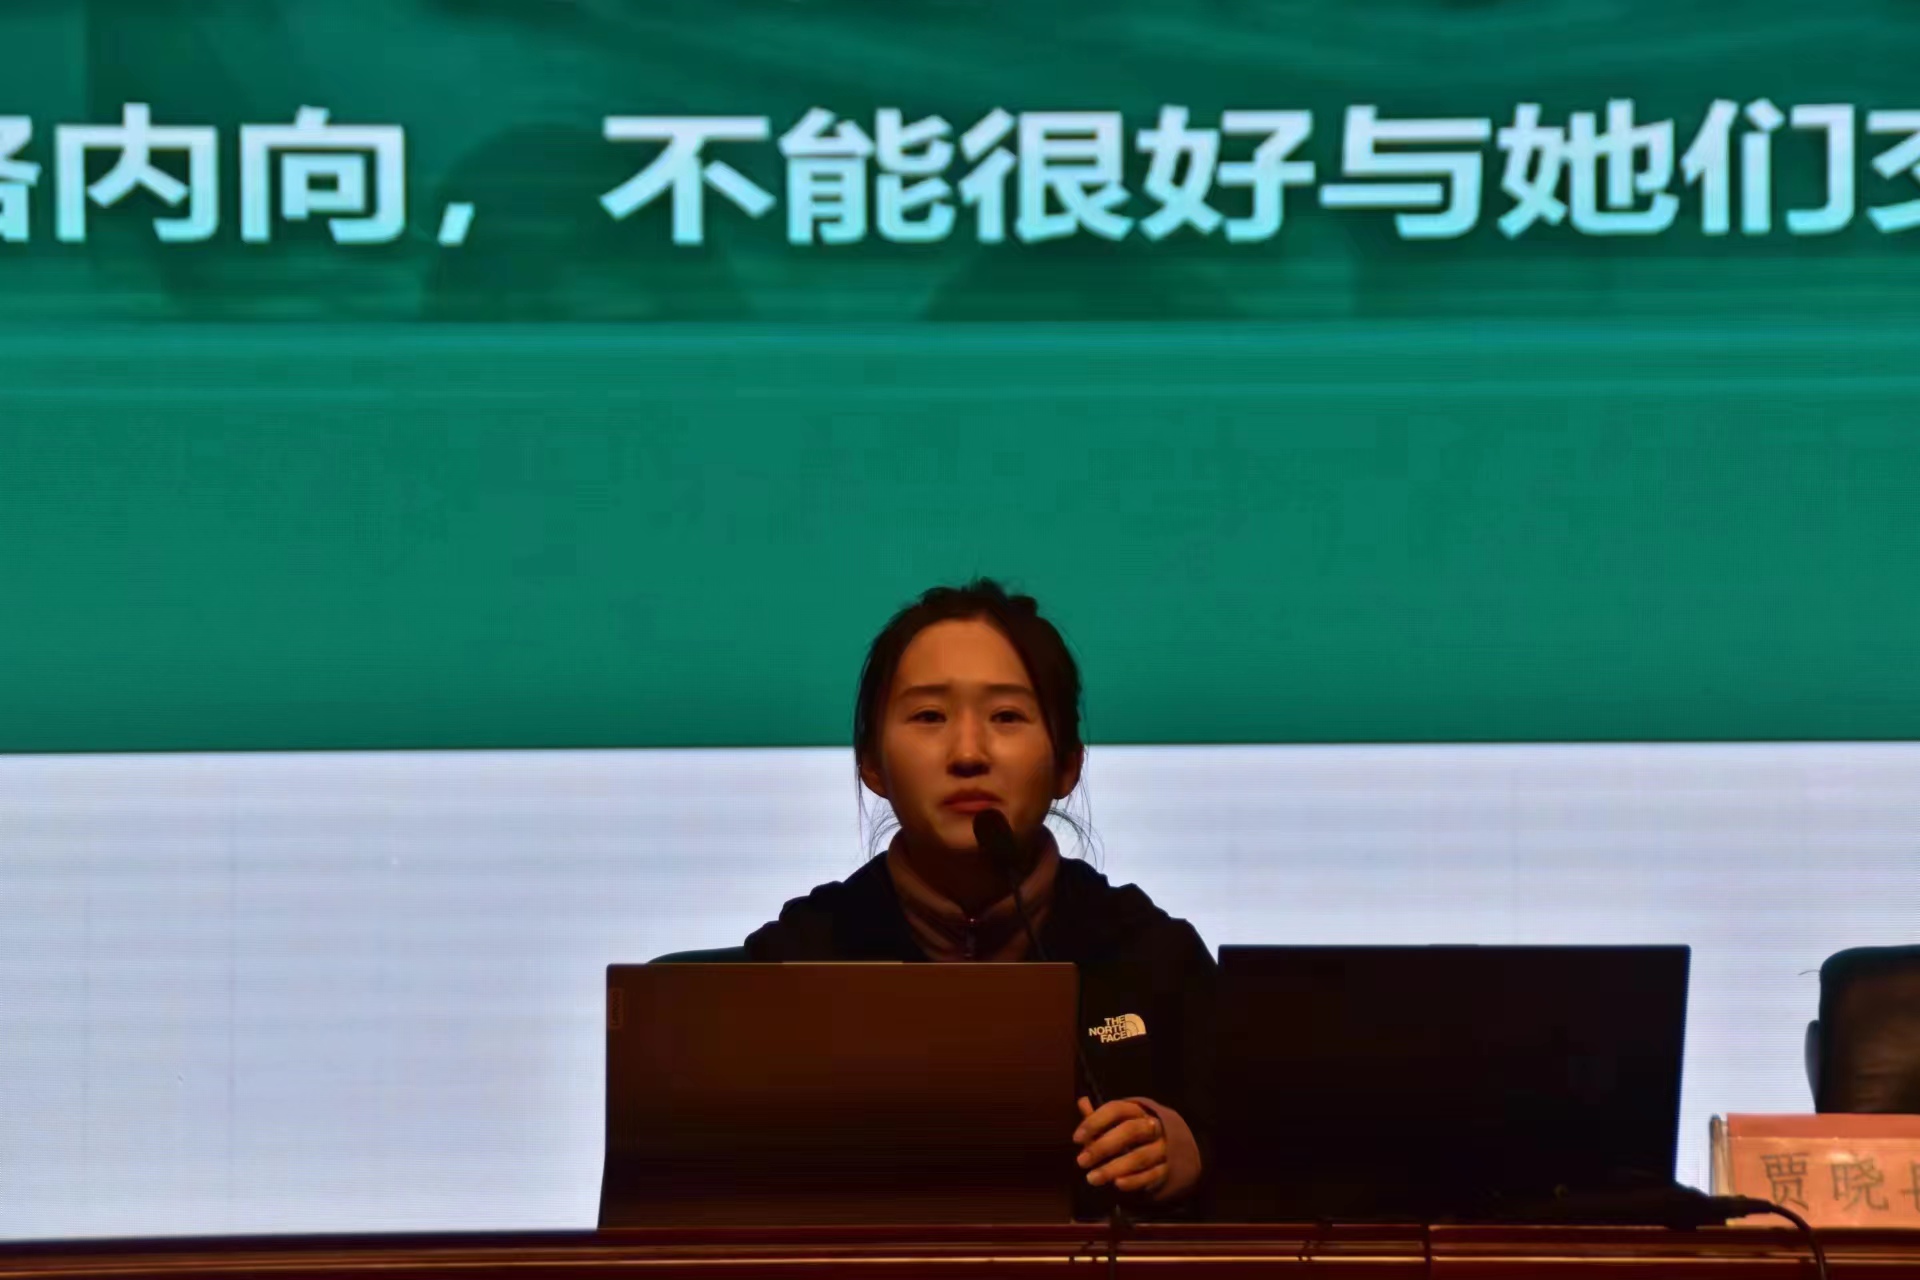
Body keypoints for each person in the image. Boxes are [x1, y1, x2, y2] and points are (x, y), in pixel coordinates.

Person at [743, 579, 1217, 1217]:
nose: (968, 754)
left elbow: (1275, 1176)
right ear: (871, 764)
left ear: (1068, 764)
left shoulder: (1155, 957)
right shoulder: (793, 964)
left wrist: (1189, 1155)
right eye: (929, 717)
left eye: (1007, 717)